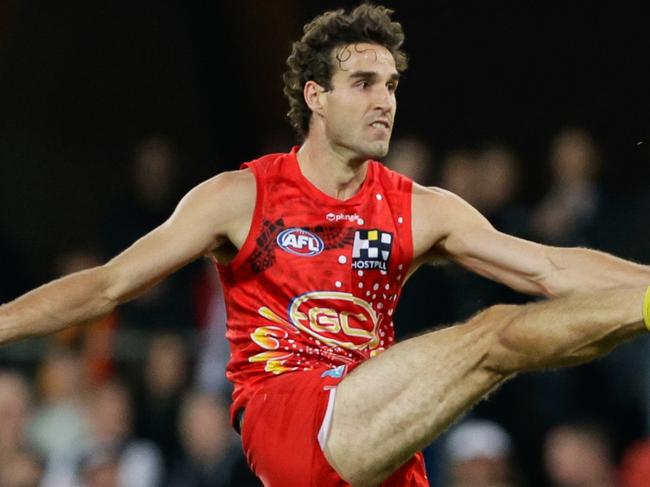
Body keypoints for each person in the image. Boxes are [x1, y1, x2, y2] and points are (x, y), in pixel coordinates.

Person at [2, 4, 650, 486]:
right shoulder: (241, 196)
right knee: (493, 335)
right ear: (315, 96)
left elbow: (551, 265)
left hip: (377, 432)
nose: (385, 102)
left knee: (504, 342)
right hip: (288, 416)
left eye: (392, 84)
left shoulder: (419, 208)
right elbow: (106, 284)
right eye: (364, 83)